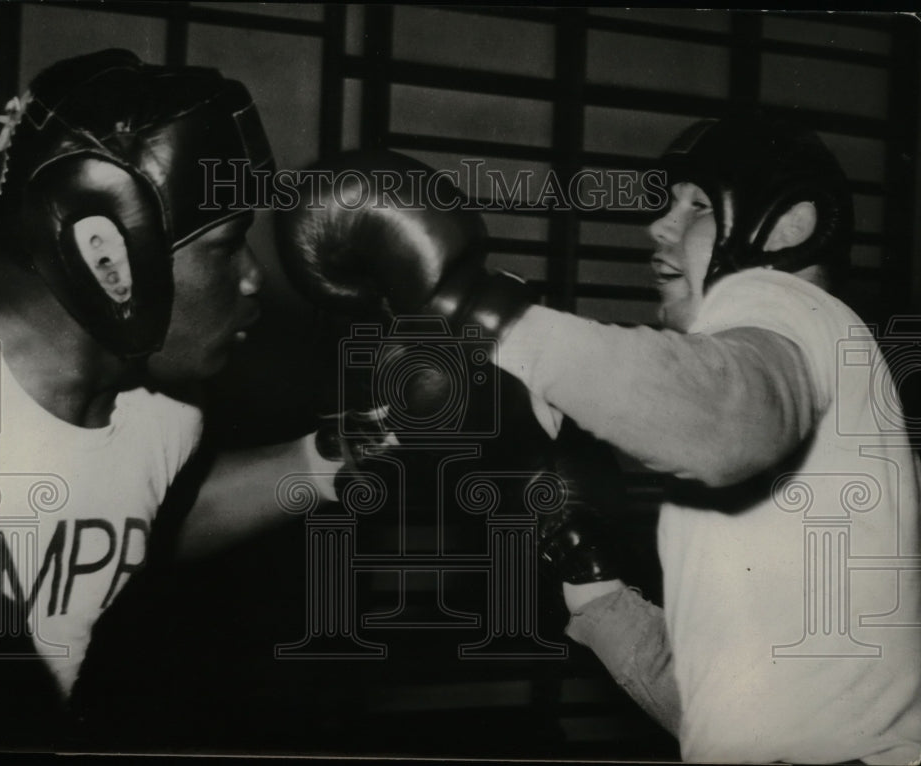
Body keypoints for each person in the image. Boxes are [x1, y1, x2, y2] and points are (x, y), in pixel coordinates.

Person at [274, 113, 921, 763]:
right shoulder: (823, 377)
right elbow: (729, 714)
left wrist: (472, 307)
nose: (660, 227)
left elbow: (727, 422)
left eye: (697, 207)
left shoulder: (796, 312)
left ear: (789, 227)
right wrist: (589, 574)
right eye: (667, 205)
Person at [0, 49, 351, 747]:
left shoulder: (166, 413)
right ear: (108, 254)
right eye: (227, 246)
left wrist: (349, 453)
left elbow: (147, 514)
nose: (253, 278)